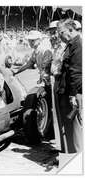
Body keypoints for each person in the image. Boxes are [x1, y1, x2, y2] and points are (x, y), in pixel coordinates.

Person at [56, 19, 82, 153]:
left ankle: (80, 160)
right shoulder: (71, 44)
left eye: (61, 32)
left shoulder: (78, 44)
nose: (59, 36)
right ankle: (73, 156)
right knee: (71, 127)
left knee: (77, 129)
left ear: (71, 29)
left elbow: (77, 72)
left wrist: (74, 94)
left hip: (74, 93)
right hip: (67, 90)